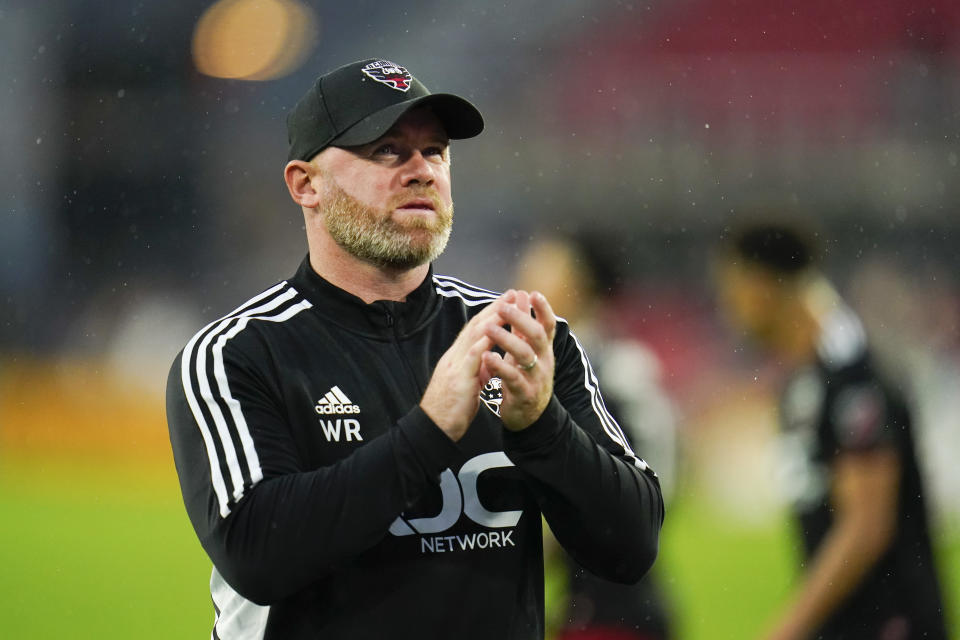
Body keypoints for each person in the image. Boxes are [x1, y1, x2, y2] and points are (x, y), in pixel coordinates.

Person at [165, 58, 664, 640]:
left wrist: (542, 428)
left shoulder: (522, 336)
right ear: (307, 185)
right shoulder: (238, 353)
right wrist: (429, 431)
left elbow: (630, 549)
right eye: (386, 151)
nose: (422, 171)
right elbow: (259, 555)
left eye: (436, 151)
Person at [714, 222, 948, 640]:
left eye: (734, 291)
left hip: (891, 624)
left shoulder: (852, 376)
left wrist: (787, 629)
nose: (730, 307)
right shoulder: (804, 382)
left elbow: (866, 527)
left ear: (764, 286)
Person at [514, 234, 676, 640]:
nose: (525, 279)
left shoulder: (612, 368)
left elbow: (656, 478)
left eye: (545, 268)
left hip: (613, 612)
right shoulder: (580, 361)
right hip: (591, 604)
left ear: (580, 284)